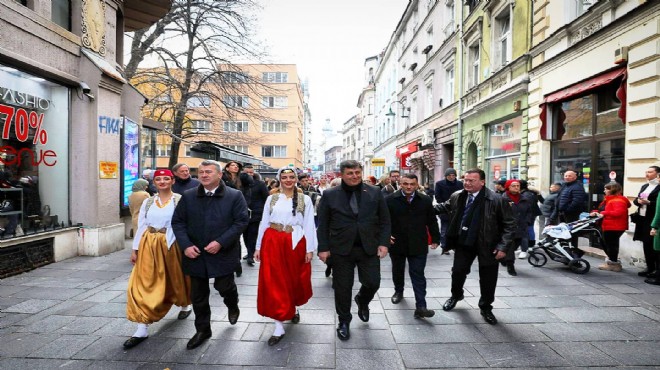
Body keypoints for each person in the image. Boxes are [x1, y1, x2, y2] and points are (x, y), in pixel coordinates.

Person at [171, 160, 249, 350]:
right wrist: (186, 245)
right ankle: (203, 330)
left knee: (224, 286)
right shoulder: (188, 196)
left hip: (223, 252)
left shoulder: (234, 195)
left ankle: (233, 304)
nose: (204, 175)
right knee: (198, 296)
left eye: (208, 172)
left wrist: (221, 242)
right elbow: (178, 222)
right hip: (195, 254)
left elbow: (241, 221)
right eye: (201, 172)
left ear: (219, 175)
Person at [317, 160, 391, 340]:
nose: (354, 176)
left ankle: (362, 300)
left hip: (368, 247)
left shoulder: (374, 192)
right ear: (341, 174)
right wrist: (323, 248)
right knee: (343, 287)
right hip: (341, 249)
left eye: (357, 172)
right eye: (350, 173)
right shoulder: (330, 194)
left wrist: (384, 243)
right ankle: (344, 320)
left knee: (373, 282)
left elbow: (385, 220)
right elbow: (323, 224)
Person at [123, 169, 192, 349]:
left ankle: (184, 303)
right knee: (142, 282)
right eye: (158, 179)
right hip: (148, 244)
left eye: (166, 179)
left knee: (175, 279)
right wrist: (135, 248)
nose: (162, 182)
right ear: (153, 182)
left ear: (172, 181)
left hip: (171, 245)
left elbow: (186, 225)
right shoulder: (148, 201)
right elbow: (142, 226)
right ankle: (142, 327)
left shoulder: (180, 200)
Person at [438, 168, 515, 325]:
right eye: (465, 180)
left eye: (471, 180)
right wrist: (419, 205)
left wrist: (503, 246)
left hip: (488, 244)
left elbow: (510, 225)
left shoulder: (496, 199)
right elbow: (443, 207)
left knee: (488, 277)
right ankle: (456, 295)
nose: (467, 183)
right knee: (458, 272)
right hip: (464, 242)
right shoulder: (458, 195)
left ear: (482, 182)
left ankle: (486, 307)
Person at [254, 167, 318, 346]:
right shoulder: (271, 198)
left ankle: (292, 307)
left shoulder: (304, 199)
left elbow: (309, 224)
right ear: (279, 179)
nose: (288, 180)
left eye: (291, 177)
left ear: (296, 179)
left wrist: (310, 249)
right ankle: (278, 324)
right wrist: (258, 246)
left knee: (293, 278)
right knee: (275, 281)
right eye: (284, 177)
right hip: (273, 241)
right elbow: (264, 222)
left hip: (295, 242)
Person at [386, 174, 440, 318]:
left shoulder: (425, 200)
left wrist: (436, 238)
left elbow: (432, 220)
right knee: (398, 269)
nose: (409, 187)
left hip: (418, 243)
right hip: (397, 242)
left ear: (417, 185)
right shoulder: (390, 199)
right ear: (401, 184)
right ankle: (398, 291)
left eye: (412, 184)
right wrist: (385, 236)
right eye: (405, 184)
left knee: (418, 274)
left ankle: (421, 306)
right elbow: (383, 220)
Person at [589, 182, 630, 272]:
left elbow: (618, 213)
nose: (604, 190)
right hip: (608, 225)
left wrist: (602, 213)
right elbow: (603, 209)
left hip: (615, 226)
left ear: (613, 189)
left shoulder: (619, 200)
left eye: (606, 189)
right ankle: (612, 262)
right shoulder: (609, 199)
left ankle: (614, 264)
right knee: (607, 244)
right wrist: (596, 212)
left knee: (611, 245)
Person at [222, 161, 253, 277]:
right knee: (230, 237)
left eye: (237, 166)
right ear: (227, 167)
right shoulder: (223, 178)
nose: (235, 167)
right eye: (233, 165)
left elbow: (251, 182)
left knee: (236, 237)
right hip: (226, 210)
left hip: (240, 209)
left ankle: (237, 263)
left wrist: (245, 173)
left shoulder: (243, 178)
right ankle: (231, 262)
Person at [501, 180, 533, 276]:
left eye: (518, 186)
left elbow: (529, 211)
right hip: (508, 228)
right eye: (513, 186)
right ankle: (511, 266)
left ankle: (503, 257)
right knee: (510, 247)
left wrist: (527, 221)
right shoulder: (503, 198)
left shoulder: (524, 199)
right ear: (508, 187)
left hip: (521, 227)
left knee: (515, 245)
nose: (516, 188)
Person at [633, 166, 660, 278]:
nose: (647, 174)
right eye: (646, 171)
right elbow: (635, 200)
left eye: (650, 172)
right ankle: (649, 267)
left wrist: (649, 202)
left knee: (653, 244)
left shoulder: (659, 187)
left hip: (652, 218)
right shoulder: (645, 186)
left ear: (657, 173)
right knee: (645, 243)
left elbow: (658, 204)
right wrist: (638, 201)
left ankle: (656, 270)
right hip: (642, 218)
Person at [550, 170, 587, 247]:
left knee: (571, 233)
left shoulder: (577, 186)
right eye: (566, 176)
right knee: (563, 233)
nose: (567, 177)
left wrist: (567, 209)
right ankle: (565, 249)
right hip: (563, 213)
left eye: (570, 176)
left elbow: (577, 201)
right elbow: (559, 198)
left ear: (575, 177)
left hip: (571, 215)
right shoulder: (564, 185)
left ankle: (572, 251)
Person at [243, 164, 269, 267]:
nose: (249, 174)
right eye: (247, 173)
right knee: (245, 234)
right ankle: (249, 251)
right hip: (243, 213)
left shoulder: (260, 184)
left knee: (253, 234)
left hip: (255, 213)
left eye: (251, 172)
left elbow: (266, 198)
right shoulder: (240, 184)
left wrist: (263, 210)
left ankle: (250, 255)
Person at [434, 168, 464, 255]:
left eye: (453, 175)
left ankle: (454, 246)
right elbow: (437, 196)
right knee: (445, 228)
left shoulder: (460, 184)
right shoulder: (440, 184)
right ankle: (445, 246)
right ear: (446, 176)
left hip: (457, 209)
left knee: (457, 228)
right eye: (449, 175)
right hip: (445, 209)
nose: (451, 177)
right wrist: (444, 206)